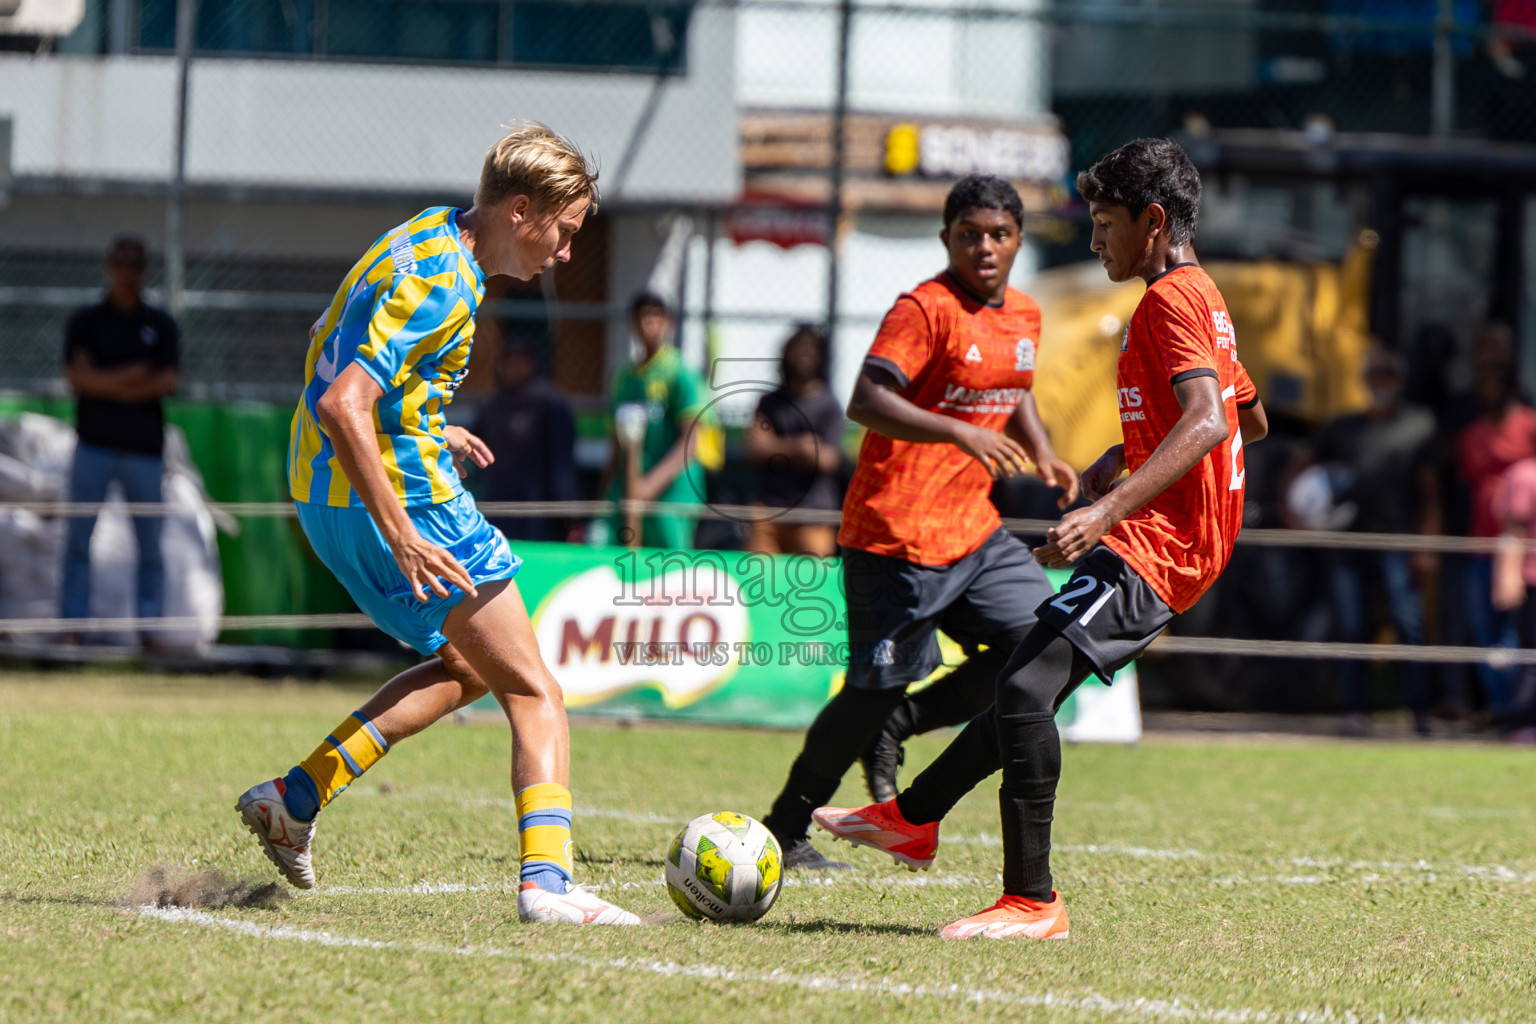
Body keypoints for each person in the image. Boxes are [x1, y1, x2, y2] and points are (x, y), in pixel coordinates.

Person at [813, 138, 1267, 940]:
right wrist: (1123, 453)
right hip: (1175, 538)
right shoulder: (1204, 297)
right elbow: (1249, 417)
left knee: (1023, 688)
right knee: (1025, 682)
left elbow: (1208, 420)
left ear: (1152, 222)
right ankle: (912, 818)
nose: (1094, 243)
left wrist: (1107, 508)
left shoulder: (1168, 302)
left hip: (1162, 544)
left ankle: (1033, 900)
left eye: (1103, 224)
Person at [236, 122, 639, 927]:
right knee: (537, 690)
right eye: (562, 234)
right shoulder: (445, 284)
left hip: (325, 496)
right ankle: (549, 886)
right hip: (398, 506)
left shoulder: (425, 237)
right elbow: (343, 400)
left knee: (469, 666)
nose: (565, 256)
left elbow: (334, 354)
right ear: (521, 210)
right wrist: (401, 528)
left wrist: (421, 421)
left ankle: (296, 796)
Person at [759, 173, 1080, 869]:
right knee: (871, 692)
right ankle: (785, 829)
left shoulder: (1025, 314)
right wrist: (960, 434)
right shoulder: (923, 309)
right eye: (969, 235)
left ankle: (899, 726)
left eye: (998, 235)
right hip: (894, 533)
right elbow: (866, 400)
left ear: (1020, 240)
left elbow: (1013, 389)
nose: (984, 247)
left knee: (1046, 640)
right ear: (946, 240)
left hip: (973, 529)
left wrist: (1045, 452)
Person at [1297, 347, 1438, 736]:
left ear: (1400, 377)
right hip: (1346, 543)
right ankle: (1355, 710)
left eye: (1389, 372)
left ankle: (1418, 710)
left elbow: (1431, 493)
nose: (1382, 380)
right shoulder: (1343, 428)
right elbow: (1301, 471)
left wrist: (1426, 545)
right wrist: (1297, 517)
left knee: (1408, 624)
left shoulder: (1419, 425)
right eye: (1375, 372)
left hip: (1397, 542)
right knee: (1351, 625)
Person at [60, 236, 181, 647]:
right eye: (120, 262)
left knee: (150, 547)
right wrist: (133, 378)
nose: (126, 270)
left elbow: (166, 381)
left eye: (134, 263)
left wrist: (103, 382)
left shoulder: (160, 324)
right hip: (92, 445)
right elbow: (76, 380)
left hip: (144, 450)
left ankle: (150, 631)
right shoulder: (86, 321)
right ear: (108, 266)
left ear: (144, 270)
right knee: (78, 540)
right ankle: (72, 629)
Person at [592, 292, 714, 550]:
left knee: (669, 573)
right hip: (628, 487)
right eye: (642, 316)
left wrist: (648, 486)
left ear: (668, 322)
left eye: (655, 316)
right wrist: (605, 494)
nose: (649, 323)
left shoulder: (680, 374)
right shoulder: (624, 378)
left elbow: (691, 441)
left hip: (670, 492)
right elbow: (616, 444)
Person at [1457, 323, 1536, 716]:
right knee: (1483, 630)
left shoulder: (1529, 426)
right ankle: (1499, 705)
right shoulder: (1471, 434)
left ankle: (1516, 710)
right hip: (1480, 543)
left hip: (1517, 545)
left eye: (1495, 380)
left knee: (1515, 632)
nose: (1487, 387)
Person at [743, 324, 845, 557]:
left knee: (811, 588)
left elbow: (828, 459)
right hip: (768, 513)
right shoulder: (769, 402)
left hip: (813, 516)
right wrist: (801, 447)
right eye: (797, 349)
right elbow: (755, 448)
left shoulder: (829, 405)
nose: (803, 356)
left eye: (810, 350)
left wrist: (775, 447)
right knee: (757, 580)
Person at [471, 335, 580, 542]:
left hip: (540, 514)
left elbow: (562, 463)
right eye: (508, 361)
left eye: (521, 361)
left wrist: (571, 515)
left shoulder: (550, 404)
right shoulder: (492, 406)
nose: (514, 367)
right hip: (497, 507)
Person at [1491, 456, 1536, 740]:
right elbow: (1513, 530)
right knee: (1531, 656)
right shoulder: (1526, 475)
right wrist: (1508, 574)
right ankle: (1523, 724)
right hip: (1532, 580)